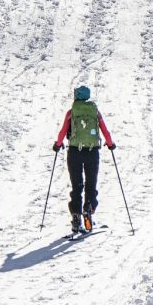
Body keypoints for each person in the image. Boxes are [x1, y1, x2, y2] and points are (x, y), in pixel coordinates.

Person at [52, 84, 115, 232]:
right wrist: (110, 144)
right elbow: (105, 130)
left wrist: (57, 144)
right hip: (92, 152)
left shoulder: (71, 112)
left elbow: (63, 131)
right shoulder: (95, 112)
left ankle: (76, 216)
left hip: (74, 152)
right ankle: (89, 208)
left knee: (77, 185)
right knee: (91, 183)